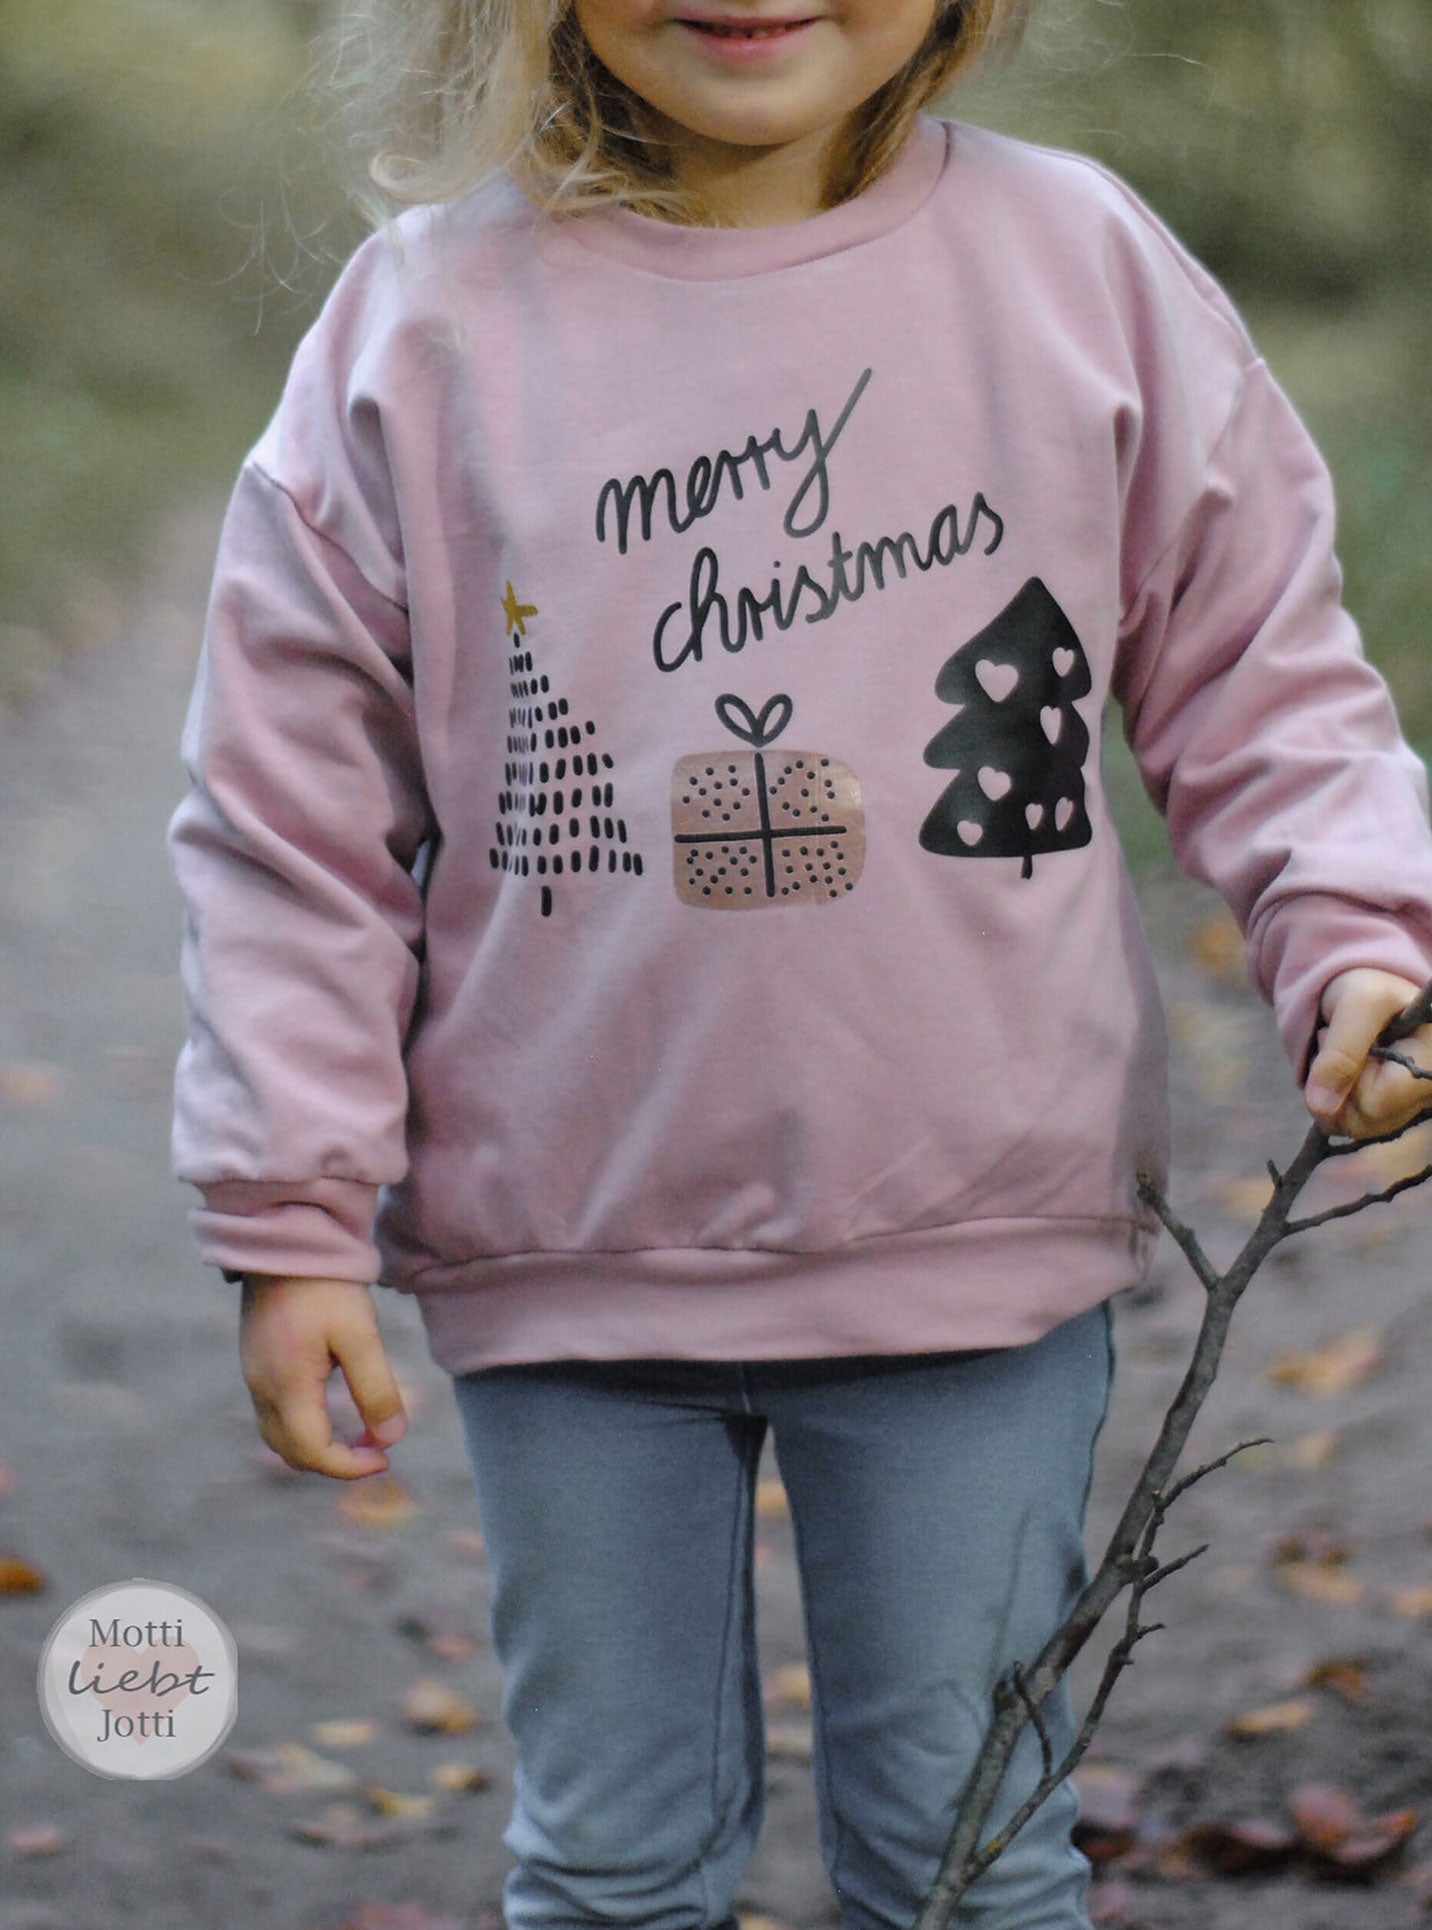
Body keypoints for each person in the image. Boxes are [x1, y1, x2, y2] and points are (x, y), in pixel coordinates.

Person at [168, 3, 1432, 1925]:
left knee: (965, 1858)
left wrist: (1359, 929)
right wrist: (290, 1204)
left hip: (976, 1237)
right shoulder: (423, 326)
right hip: (570, 1252)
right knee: (609, 1865)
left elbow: (1264, 670)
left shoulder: (1078, 265)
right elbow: (292, 813)